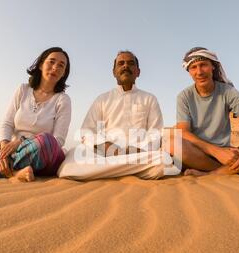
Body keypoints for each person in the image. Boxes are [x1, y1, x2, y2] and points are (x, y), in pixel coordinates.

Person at [0, 47, 71, 182]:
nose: (55, 67)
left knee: (47, 141)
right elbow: (7, 123)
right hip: (14, 153)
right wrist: (4, 150)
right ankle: (15, 172)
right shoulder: (23, 90)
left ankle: (5, 169)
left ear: (64, 74)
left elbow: (58, 140)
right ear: (40, 65)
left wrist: (19, 142)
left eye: (61, 65)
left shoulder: (63, 100)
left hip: (43, 154)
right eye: (51, 62)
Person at [171, 47, 239, 177]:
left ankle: (213, 174)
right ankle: (234, 169)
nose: (199, 72)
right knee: (172, 144)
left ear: (213, 66)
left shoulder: (228, 92)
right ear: (189, 71)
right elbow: (183, 132)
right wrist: (216, 152)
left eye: (203, 65)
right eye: (193, 67)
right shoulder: (184, 96)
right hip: (200, 153)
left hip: (228, 154)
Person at [58, 50, 169, 180]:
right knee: (72, 158)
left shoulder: (149, 99)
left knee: (163, 160)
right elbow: (86, 132)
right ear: (114, 72)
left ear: (138, 72)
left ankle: (106, 172)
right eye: (121, 63)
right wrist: (106, 146)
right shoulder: (102, 99)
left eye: (130, 63)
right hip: (106, 154)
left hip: (139, 154)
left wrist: (137, 150)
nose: (125, 66)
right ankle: (129, 170)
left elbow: (155, 133)